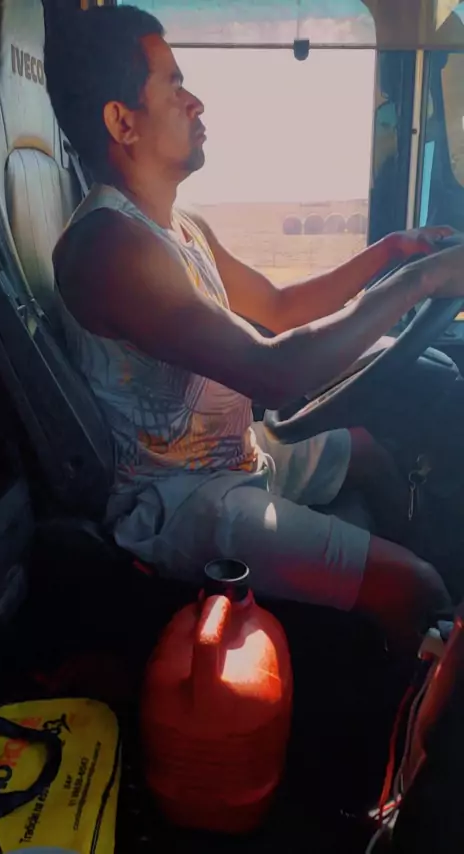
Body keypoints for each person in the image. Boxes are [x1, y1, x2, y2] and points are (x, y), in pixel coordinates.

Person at [45, 4, 464, 652]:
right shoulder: (110, 248)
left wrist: (392, 253)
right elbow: (273, 372)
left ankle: (397, 628)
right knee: (416, 586)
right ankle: (417, 647)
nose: (196, 102)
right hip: (179, 498)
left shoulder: (182, 226)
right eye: (174, 86)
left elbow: (279, 306)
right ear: (122, 121)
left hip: (233, 454)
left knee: (371, 455)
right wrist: (423, 282)